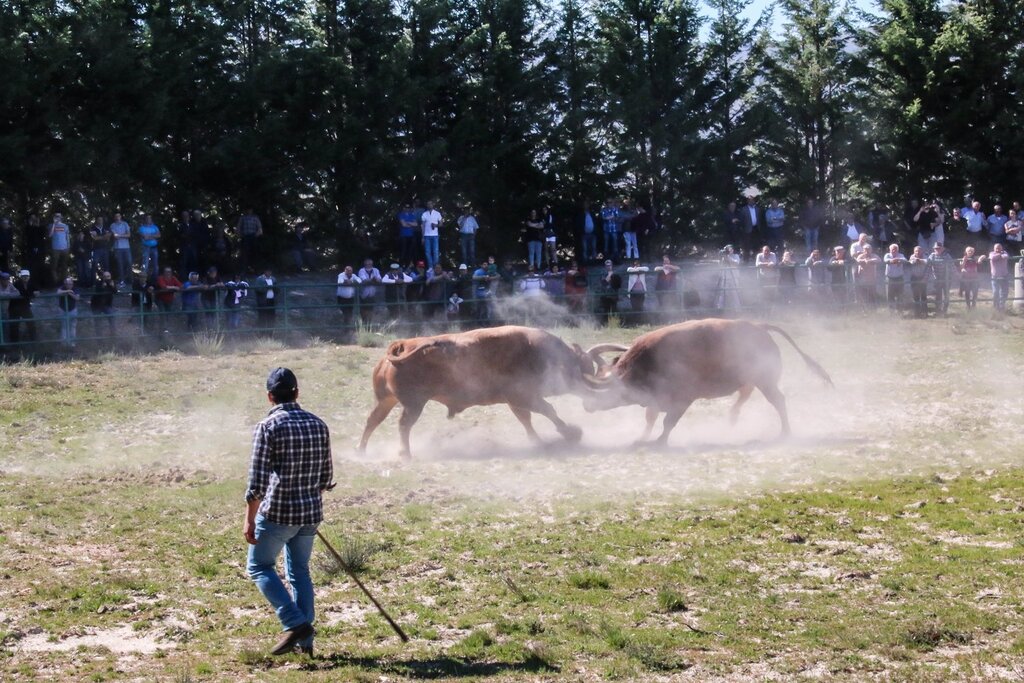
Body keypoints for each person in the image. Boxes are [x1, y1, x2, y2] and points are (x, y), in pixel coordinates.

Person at [245, 367, 333, 657]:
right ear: (297, 393)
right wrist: (307, 502)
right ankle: (305, 644)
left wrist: (249, 519)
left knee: (259, 566)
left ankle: (294, 623)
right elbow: (325, 478)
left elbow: (257, 483)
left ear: (270, 396)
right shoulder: (319, 425)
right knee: (299, 572)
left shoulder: (267, 427)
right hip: (310, 513)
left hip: (278, 514)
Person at [7, 269, 37, 344]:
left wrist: (36, 292)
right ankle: (14, 344)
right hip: (14, 307)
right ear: (21, 277)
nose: (25, 278)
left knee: (31, 323)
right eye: (23, 276)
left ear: (29, 277)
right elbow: (21, 293)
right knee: (14, 325)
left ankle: (34, 342)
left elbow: (36, 291)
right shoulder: (16, 284)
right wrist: (32, 294)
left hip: (25, 306)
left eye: (27, 276)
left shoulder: (31, 284)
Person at [927, 242, 955, 316]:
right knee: (938, 295)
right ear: (934, 249)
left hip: (947, 279)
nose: (937, 249)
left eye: (939, 248)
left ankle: (944, 311)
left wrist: (956, 275)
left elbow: (952, 266)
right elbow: (928, 267)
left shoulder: (947, 255)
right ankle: (938, 310)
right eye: (936, 248)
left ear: (942, 249)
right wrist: (925, 277)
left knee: (946, 295)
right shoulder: (932, 256)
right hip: (937, 279)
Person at [980, 243, 1010, 312]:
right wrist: (1000, 255)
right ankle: (995, 307)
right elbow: (993, 258)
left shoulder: (1004, 252)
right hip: (995, 277)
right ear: (994, 249)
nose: (997, 249)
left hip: (1004, 275)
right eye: (996, 248)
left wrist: (1000, 255)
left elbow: (1006, 256)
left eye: (999, 248)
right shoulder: (991, 253)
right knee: (995, 292)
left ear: (1001, 248)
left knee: (1004, 292)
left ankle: (1001, 306)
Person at [90, 270, 118, 337]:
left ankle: (113, 335)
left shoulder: (112, 282)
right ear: (103, 277)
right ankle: (99, 338)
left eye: (108, 276)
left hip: (107, 305)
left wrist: (113, 286)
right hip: (96, 305)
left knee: (112, 317)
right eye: (105, 276)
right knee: (98, 322)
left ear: (110, 276)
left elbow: (115, 291)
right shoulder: (98, 283)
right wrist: (103, 287)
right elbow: (97, 292)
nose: (107, 278)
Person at [237, 208, 263, 273]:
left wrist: (256, 235)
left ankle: (255, 269)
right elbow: (238, 227)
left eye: (250, 209)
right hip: (245, 237)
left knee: (255, 253)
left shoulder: (255, 218)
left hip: (253, 236)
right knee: (245, 254)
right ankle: (244, 270)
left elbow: (260, 228)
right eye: (248, 209)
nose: (249, 210)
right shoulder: (242, 218)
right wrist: (241, 235)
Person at [56, 276, 80, 348]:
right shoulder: (62, 288)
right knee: (64, 326)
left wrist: (69, 293)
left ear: (72, 284)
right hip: (62, 309)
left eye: (70, 284)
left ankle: (72, 344)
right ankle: (64, 344)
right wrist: (68, 291)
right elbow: (58, 292)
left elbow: (77, 298)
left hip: (73, 310)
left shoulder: (75, 289)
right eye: (67, 284)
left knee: (73, 327)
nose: (69, 285)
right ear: (64, 283)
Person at [883, 243, 907, 314]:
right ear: (890, 250)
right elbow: (885, 260)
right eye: (892, 249)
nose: (894, 251)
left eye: (895, 249)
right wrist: (893, 261)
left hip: (899, 278)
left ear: (898, 250)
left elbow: (905, 260)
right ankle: (891, 311)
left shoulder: (901, 255)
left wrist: (898, 259)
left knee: (900, 295)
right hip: (889, 278)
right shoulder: (887, 255)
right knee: (890, 295)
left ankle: (900, 311)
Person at [356, 259, 382, 324]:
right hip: (363, 295)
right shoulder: (361, 270)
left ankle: (369, 325)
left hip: (372, 294)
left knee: (370, 310)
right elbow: (364, 280)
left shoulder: (376, 270)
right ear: (364, 265)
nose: (368, 265)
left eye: (370, 264)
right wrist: (373, 280)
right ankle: (364, 325)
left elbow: (379, 280)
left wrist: (372, 280)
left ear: (372, 264)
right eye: (367, 264)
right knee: (363, 311)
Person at [109, 213, 132, 285]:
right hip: (117, 247)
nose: (117, 217)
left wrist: (120, 235)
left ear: (120, 216)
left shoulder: (125, 224)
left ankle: (130, 280)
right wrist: (123, 235)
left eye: (118, 216)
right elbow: (115, 236)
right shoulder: (112, 225)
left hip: (126, 247)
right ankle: (122, 281)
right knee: (120, 264)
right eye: (116, 216)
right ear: (114, 217)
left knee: (129, 262)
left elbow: (128, 235)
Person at [907, 246, 929, 318]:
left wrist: (919, 260)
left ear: (922, 251)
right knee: (915, 296)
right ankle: (917, 313)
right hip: (914, 278)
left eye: (919, 251)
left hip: (922, 278)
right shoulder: (912, 256)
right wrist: (916, 260)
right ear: (914, 252)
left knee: (923, 296)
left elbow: (927, 261)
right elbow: (911, 262)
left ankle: (925, 312)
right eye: (916, 251)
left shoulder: (925, 256)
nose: (918, 252)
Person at [50, 213, 71, 283]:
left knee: (64, 265)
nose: (57, 217)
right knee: (54, 265)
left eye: (58, 216)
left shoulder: (65, 226)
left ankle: (65, 282)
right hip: (55, 248)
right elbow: (50, 235)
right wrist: (54, 224)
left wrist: (68, 246)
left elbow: (67, 237)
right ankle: (55, 282)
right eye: (56, 216)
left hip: (64, 248)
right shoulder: (51, 225)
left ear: (61, 217)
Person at [598, 259, 621, 324]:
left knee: (614, 311)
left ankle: (615, 323)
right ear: (605, 266)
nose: (609, 267)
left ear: (612, 266)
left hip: (613, 296)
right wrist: (609, 275)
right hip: (605, 296)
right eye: (607, 265)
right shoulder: (602, 274)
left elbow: (618, 285)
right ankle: (605, 324)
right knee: (606, 312)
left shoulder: (616, 274)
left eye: (610, 265)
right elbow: (603, 283)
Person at [625, 260, 649, 324]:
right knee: (634, 308)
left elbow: (647, 269)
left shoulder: (642, 271)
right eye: (635, 265)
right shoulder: (631, 270)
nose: (637, 266)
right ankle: (635, 322)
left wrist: (638, 269)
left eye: (638, 264)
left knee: (640, 307)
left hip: (641, 292)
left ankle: (641, 322)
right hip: (633, 293)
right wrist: (637, 269)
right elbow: (628, 270)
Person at [420, 200, 441, 270]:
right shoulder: (424, 214)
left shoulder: (437, 213)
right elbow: (422, 226)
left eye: (430, 204)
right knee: (427, 252)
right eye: (428, 204)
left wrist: (436, 225)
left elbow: (441, 224)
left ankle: (436, 267)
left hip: (435, 235)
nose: (429, 205)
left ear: (433, 204)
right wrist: (422, 237)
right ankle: (431, 267)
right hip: (426, 235)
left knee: (435, 252)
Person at [959, 245, 980, 309]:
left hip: (974, 278)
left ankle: (973, 305)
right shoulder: (964, 258)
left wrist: (981, 258)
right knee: (967, 292)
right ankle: (968, 306)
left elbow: (983, 257)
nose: (970, 252)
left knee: (975, 292)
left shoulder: (975, 258)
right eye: (969, 251)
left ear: (973, 252)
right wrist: (964, 261)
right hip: (966, 278)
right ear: (966, 252)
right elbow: (961, 268)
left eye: (971, 251)